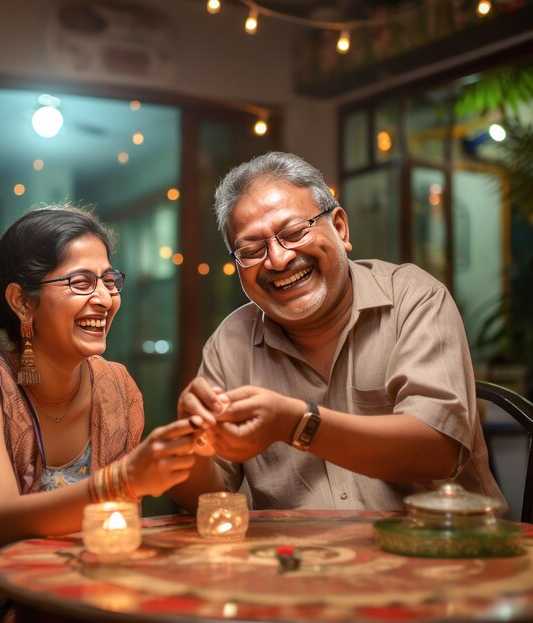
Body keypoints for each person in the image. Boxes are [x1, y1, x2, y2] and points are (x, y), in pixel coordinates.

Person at [0, 206, 205, 623]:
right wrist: (126, 479)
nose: (103, 298)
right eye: (81, 282)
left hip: (89, 601)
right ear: (22, 302)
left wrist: (200, 437)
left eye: (109, 280)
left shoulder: (117, 386)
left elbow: (144, 524)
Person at [170, 151, 505, 515]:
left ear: (341, 228)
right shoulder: (230, 342)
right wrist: (192, 444)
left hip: (441, 553)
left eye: (294, 232)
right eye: (252, 250)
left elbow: (439, 450)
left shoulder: (414, 298)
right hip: (298, 562)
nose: (278, 260)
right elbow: (209, 499)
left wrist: (297, 423)